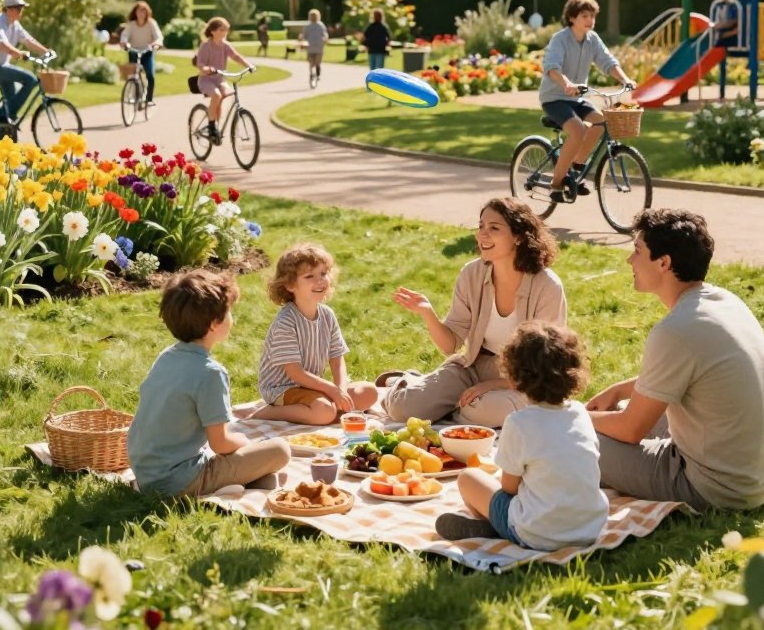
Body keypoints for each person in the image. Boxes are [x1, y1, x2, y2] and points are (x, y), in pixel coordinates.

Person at [586, 208, 764, 511]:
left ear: (664, 262)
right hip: (756, 477)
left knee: (572, 438)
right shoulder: (725, 302)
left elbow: (630, 429)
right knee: (624, 409)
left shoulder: (676, 331)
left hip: (715, 488)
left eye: (637, 251)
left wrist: (576, 417)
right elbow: (693, 374)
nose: (629, 260)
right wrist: (617, 390)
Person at [380, 197, 567, 428]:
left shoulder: (546, 285)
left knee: (488, 410)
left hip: (523, 378)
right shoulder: (472, 274)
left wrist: (493, 385)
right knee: (404, 409)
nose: (482, 235)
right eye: (481, 227)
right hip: (473, 366)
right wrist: (428, 314)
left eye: (494, 228)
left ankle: (450, 410)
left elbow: (546, 363)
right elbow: (450, 345)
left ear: (519, 236)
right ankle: (407, 383)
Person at [435, 321, 608, 547]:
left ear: (514, 379)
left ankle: (498, 528)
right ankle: (504, 526)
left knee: (469, 478)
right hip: (589, 528)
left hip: (537, 533)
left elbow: (509, 488)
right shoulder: (580, 414)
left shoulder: (519, 423)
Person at [127, 270, 291, 497]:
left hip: (147, 473)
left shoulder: (166, 356)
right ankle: (233, 486)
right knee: (280, 450)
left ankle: (249, 483)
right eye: (229, 311)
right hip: (178, 481)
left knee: (269, 473)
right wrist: (245, 440)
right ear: (214, 323)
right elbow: (221, 444)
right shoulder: (211, 373)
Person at [254, 243, 379, 425]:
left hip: (311, 387)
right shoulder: (286, 321)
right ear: (290, 285)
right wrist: (332, 391)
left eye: (323, 273)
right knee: (324, 411)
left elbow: (337, 359)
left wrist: (340, 389)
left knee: (369, 392)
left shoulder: (327, 315)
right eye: (309, 276)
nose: (320, 281)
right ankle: (270, 412)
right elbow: (295, 373)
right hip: (283, 388)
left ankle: (325, 411)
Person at [539, 0, 636, 204]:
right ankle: (555, 184)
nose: (590, 20)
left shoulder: (592, 39)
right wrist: (566, 84)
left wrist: (625, 79)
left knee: (601, 122)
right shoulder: (560, 39)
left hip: (577, 97)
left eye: (592, 16)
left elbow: (608, 62)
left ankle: (576, 167)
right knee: (578, 129)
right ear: (572, 18)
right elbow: (552, 67)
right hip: (554, 97)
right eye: (585, 15)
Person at [0, 0, 51, 125]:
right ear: (8, 10)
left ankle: (5, 127)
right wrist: (18, 53)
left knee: (11, 100)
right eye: (18, 9)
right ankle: (4, 116)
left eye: (21, 9)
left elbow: (28, 40)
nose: (21, 12)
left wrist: (46, 52)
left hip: (2, 67)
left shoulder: (15, 24)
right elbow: (1, 44)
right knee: (30, 79)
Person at [194, 16, 252, 145]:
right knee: (217, 95)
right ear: (213, 31)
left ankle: (217, 126)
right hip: (206, 80)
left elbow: (236, 56)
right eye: (222, 29)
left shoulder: (225, 45)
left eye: (226, 30)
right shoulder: (206, 45)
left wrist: (249, 65)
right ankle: (211, 127)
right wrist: (206, 68)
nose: (225, 32)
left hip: (220, 79)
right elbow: (200, 63)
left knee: (228, 94)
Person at [119, 0, 163, 105]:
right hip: (133, 51)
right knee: (134, 75)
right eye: (139, 11)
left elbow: (158, 36)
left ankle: (149, 99)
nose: (141, 14)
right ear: (135, 12)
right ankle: (137, 95)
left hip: (147, 52)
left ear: (147, 13)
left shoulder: (151, 23)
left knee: (150, 75)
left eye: (143, 11)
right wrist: (124, 42)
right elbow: (124, 35)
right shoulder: (131, 25)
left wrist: (157, 43)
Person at [300, 8, 330, 82]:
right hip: (310, 47)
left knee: (317, 62)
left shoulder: (320, 25)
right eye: (312, 16)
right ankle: (311, 74)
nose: (313, 17)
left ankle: (318, 74)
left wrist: (325, 39)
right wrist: (302, 41)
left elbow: (325, 34)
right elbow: (304, 36)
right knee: (310, 62)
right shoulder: (308, 26)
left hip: (319, 47)